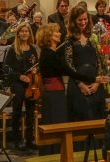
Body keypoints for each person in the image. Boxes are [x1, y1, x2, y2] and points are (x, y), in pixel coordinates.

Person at [35, 23, 95, 155]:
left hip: (54, 93)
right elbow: (69, 71)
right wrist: (92, 78)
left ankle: (55, 153)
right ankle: (55, 155)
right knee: (56, 125)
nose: (60, 34)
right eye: (56, 32)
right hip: (54, 95)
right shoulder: (50, 54)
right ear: (48, 36)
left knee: (56, 123)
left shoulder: (50, 53)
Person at [65, 6, 108, 121]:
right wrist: (80, 84)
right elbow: (69, 64)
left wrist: (97, 83)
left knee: (96, 116)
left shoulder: (93, 36)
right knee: (81, 116)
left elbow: (100, 60)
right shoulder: (69, 38)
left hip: (95, 80)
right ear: (74, 21)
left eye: (85, 19)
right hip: (77, 82)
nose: (83, 22)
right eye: (80, 20)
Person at [3, 22, 39, 150]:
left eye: (27, 31)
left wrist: (35, 71)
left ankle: (30, 139)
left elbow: (37, 64)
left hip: (31, 84)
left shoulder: (33, 48)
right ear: (18, 34)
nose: (24, 33)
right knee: (17, 111)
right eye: (22, 31)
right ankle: (17, 140)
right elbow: (6, 68)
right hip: (17, 83)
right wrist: (19, 76)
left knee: (30, 112)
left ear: (30, 33)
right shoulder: (13, 49)